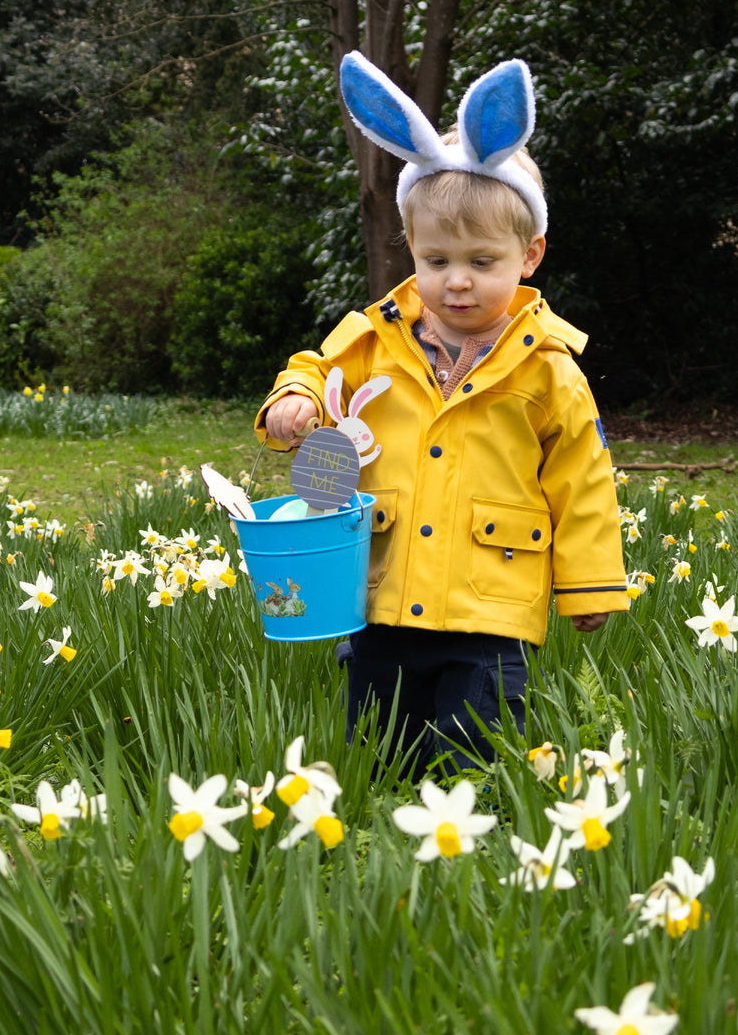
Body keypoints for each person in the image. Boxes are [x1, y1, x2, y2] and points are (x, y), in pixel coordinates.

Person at [255, 52, 628, 767]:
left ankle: (474, 856)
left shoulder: (548, 369)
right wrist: (295, 397)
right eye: (435, 261)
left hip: (492, 601)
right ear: (413, 251)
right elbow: (314, 366)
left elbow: (583, 479)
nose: (456, 282)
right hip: (382, 590)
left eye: (481, 263)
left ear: (529, 255)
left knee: (475, 750)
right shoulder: (373, 338)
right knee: (378, 743)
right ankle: (372, 842)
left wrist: (590, 582)